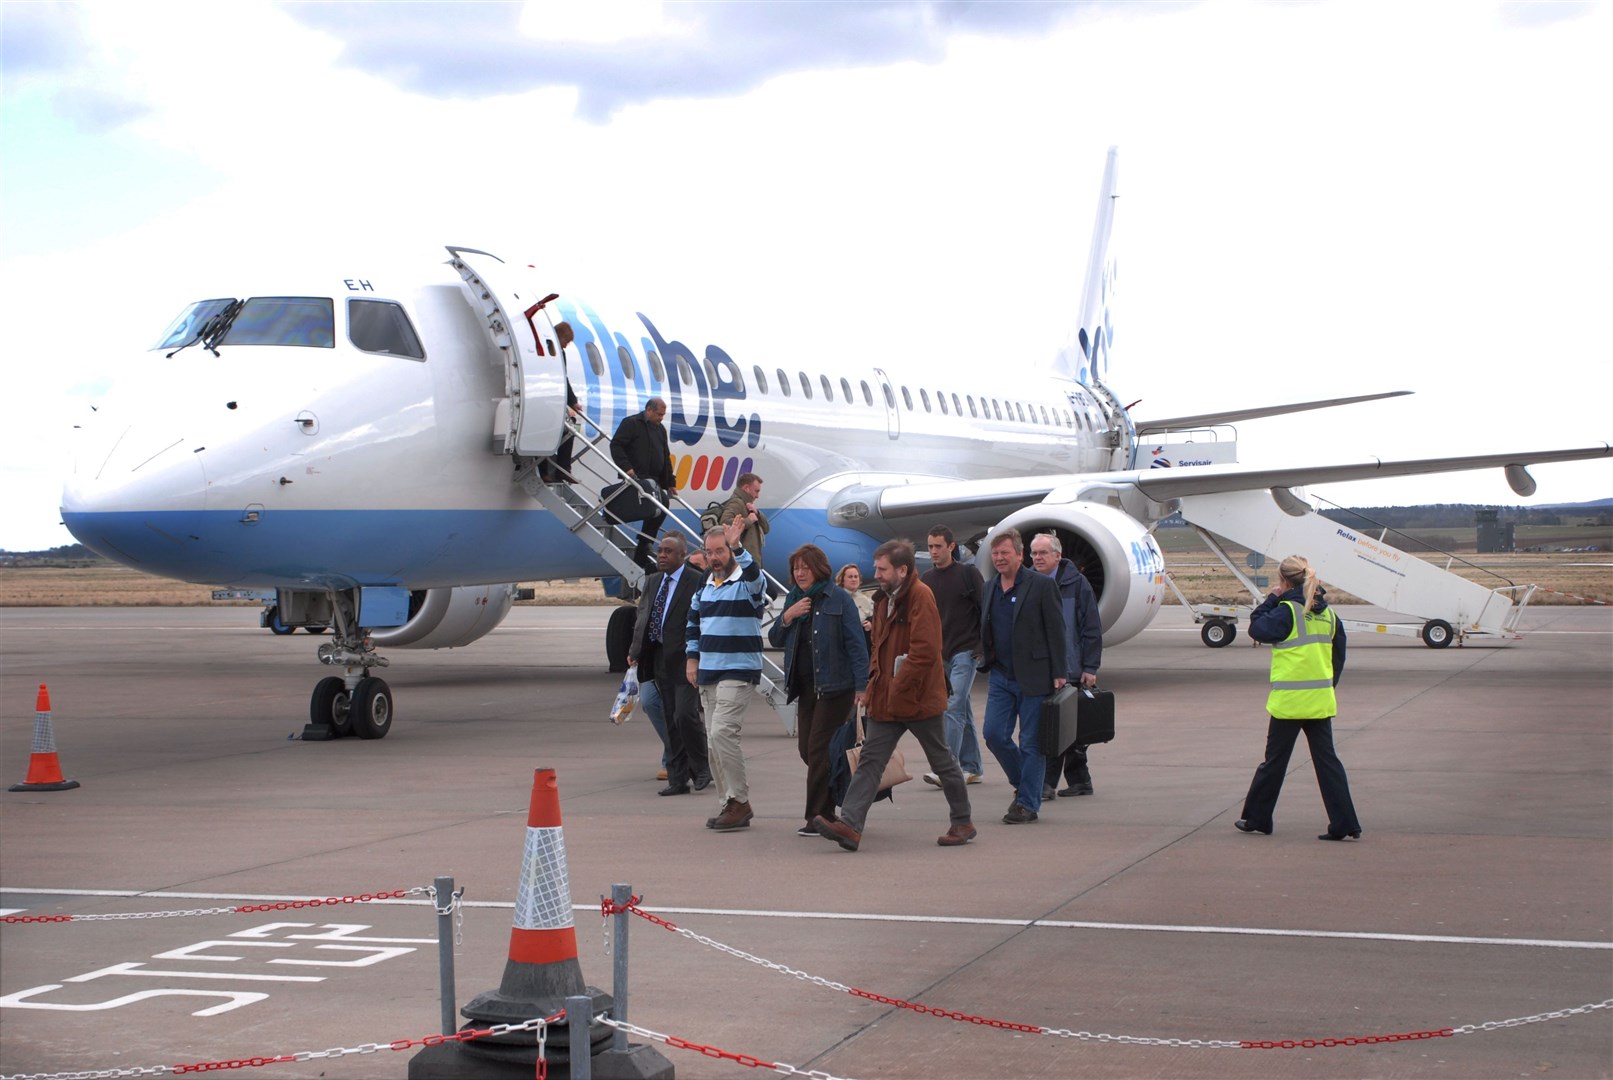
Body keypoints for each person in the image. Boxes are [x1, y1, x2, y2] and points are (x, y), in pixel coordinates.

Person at [813, 539, 977, 852]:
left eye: (882, 569)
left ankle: (963, 821)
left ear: (902, 570)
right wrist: (876, 685)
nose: (876, 573)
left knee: (941, 759)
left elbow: (925, 651)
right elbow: (878, 649)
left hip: (918, 698)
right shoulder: (881, 599)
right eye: (876, 568)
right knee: (871, 760)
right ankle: (850, 825)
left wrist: (898, 687)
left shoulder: (920, 596)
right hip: (888, 698)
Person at [1235, 555, 1362, 841]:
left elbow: (1256, 627)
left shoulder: (1286, 612)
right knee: (1328, 763)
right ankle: (1345, 823)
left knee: (1274, 763)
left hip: (1290, 705)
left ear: (1284, 581)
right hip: (1319, 701)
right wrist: (1327, 687)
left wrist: (1271, 598)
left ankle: (1257, 818)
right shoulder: (1329, 615)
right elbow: (1337, 657)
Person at [769, 544, 869, 837]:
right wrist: (788, 615)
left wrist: (861, 686)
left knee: (818, 749)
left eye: (805, 567)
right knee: (809, 751)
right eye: (796, 568)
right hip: (806, 688)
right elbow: (775, 637)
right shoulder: (795, 600)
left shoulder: (837, 598)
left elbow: (856, 645)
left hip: (836, 687)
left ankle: (817, 816)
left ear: (819, 569)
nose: (800, 573)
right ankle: (833, 802)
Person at [979, 527, 1066, 825]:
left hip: (1035, 676)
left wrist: (1059, 672)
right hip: (1001, 675)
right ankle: (1027, 784)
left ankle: (1027, 804)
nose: (999, 558)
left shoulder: (1040, 586)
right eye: (995, 553)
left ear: (1019, 555)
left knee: (1031, 743)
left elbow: (1056, 630)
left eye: (1005, 553)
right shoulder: (990, 587)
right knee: (993, 735)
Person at [685, 515, 768, 831]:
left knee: (722, 734)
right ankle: (729, 803)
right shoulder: (704, 585)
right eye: (710, 552)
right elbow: (693, 624)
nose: (715, 557)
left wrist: (740, 546)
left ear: (730, 552)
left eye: (721, 551)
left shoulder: (746, 584)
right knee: (713, 744)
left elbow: (756, 577)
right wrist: (692, 660)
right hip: (708, 672)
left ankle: (741, 802)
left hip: (738, 669)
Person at [629, 533, 711, 796]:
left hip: (686, 658)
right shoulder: (653, 581)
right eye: (660, 551)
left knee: (684, 715)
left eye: (667, 551)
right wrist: (635, 650)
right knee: (669, 718)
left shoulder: (696, 581)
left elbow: (703, 619)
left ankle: (701, 768)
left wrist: (698, 656)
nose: (661, 555)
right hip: (659, 657)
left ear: (682, 555)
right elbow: (644, 618)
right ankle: (677, 780)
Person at [1029, 533, 1102, 801]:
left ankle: (1046, 784)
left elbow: (1091, 627)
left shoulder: (1077, 584)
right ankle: (1080, 780)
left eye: (1043, 553)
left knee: (1056, 727)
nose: (1037, 558)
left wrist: (1090, 666)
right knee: (1063, 728)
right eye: (1034, 553)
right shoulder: (1029, 582)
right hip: (1040, 668)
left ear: (1057, 556)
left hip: (1070, 668)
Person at [921, 527, 985, 787]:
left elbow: (985, 610)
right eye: (930, 547)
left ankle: (945, 767)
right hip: (941, 654)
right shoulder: (926, 579)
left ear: (951, 546)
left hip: (966, 651)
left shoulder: (969, 574)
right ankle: (972, 767)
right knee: (962, 709)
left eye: (938, 546)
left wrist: (983, 646)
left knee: (953, 705)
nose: (934, 551)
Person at [609, 398, 677, 570]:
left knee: (661, 507)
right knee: (661, 503)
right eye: (659, 414)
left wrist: (670, 482)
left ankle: (644, 544)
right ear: (649, 410)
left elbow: (665, 456)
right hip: (638, 477)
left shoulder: (660, 429)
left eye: (663, 415)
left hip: (654, 478)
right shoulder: (632, 423)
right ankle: (644, 545)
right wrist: (627, 469)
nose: (661, 418)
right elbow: (616, 445)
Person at [539, 322, 581, 484]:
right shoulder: (543, 350)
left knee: (571, 426)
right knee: (544, 432)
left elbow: (563, 378)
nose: (566, 345)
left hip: (552, 403)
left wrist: (573, 402)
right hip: (541, 402)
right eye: (565, 341)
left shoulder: (560, 353)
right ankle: (543, 471)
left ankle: (563, 469)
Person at [717, 472, 770, 567]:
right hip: (743, 563)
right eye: (756, 491)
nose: (757, 496)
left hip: (749, 561)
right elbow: (724, 523)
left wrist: (757, 513)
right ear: (746, 488)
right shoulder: (737, 503)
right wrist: (748, 521)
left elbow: (766, 529)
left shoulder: (748, 505)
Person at [836, 563, 875, 638]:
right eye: (850, 577)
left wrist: (870, 624)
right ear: (842, 580)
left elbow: (873, 618)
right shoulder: (836, 598)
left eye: (856, 576)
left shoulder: (864, 599)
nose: (853, 579)